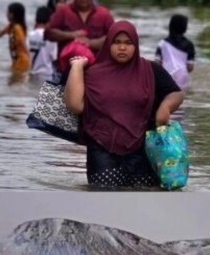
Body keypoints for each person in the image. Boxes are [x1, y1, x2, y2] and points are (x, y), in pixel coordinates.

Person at [64, 21, 184, 189]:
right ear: (108, 44)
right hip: (101, 150)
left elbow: (177, 93)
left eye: (128, 43)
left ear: (136, 45)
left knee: (143, 201)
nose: (122, 47)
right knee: (103, 200)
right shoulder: (92, 73)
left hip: (142, 151)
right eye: (117, 42)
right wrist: (77, 66)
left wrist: (165, 107)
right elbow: (75, 105)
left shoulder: (150, 70)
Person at [45, 0, 113, 72]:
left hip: (96, 71)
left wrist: (90, 43)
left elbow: (113, 37)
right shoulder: (63, 11)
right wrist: (71, 35)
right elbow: (48, 33)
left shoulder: (104, 14)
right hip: (65, 70)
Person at [154, 14, 194, 91]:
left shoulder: (162, 43)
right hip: (182, 77)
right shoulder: (189, 44)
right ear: (184, 28)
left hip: (166, 76)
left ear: (170, 26)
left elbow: (157, 64)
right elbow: (190, 67)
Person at [28, 7, 57, 80]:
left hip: (32, 75)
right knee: (52, 91)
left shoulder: (29, 35)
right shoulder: (51, 38)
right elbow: (54, 58)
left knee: (30, 91)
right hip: (47, 76)